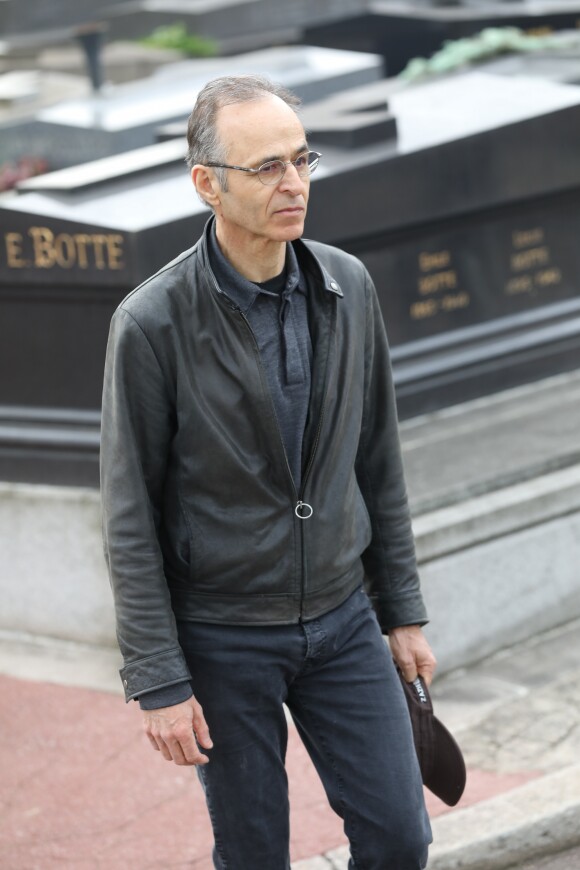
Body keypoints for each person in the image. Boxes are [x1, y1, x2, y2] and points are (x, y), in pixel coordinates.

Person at [100, 74, 436, 870]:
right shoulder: (149, 324)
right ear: (206, 184)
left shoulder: (347, 285)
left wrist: (404, 610)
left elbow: (378, 459)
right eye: (267, 168)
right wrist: (158, 679)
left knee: (400, 837)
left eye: (302, 159)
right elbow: (128, 515)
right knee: (254, 853)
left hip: (344, 619)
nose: (294, 184)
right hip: (223, 638)